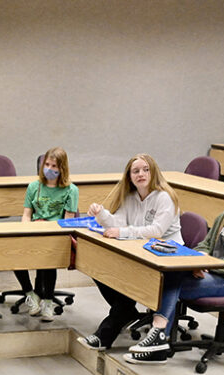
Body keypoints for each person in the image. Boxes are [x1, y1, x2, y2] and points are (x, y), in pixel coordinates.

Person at [127, 165, 224, 363]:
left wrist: (211, 266)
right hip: (215, 272)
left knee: (173, 281)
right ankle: (159, 340)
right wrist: (198, 261)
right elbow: (205, 244)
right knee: (169, 276)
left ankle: (158, 339)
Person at [78, 154, 183, 349]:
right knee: (99, 269)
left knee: (128, 282)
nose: (140, 174)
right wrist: (101, 214)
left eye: (145, 169)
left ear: (154, 172)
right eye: (135, 171)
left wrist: (123, 232)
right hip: (141, 252)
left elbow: (156, 231)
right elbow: (118, 223)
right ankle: (125, 311)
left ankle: (108, 332)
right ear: (129, 176)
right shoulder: (131, 197)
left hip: (167, 257)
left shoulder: (165, 197)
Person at [16, 147, 78, 321]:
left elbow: (67, 222)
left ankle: (48, 302)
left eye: (54, 166)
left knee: (48, 261)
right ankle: (31, 294)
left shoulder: (71, 190)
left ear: (62, 169)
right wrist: (25, 232)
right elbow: (26, 215)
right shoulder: (33, 187)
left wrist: (49, 230)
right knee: (12, 252)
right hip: (34, 230)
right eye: (47, 165)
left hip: (54, 235)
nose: (49, 169)